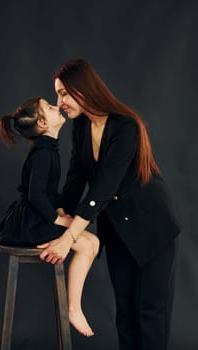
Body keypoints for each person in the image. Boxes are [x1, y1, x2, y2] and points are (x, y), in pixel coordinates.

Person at [38, 59, 181, 350]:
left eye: (64, 93)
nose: (60, 102)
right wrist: (57, 218)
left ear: (83, 88)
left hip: (153, 228)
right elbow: (75, 179)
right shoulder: (80, 128)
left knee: (150, 314)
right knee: (125, 314)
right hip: (117, 231)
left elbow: (103, 187)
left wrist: (69, 237)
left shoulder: (125, 126)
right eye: (57, 94)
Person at [0, 96, 99, 337]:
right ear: (42, 122)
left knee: (92, 242)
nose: (56, 105)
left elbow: (48, 193)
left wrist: (61, 212)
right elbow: (36, 195)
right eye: (49, 107)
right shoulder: (42, 152)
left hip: (39, 218)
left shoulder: (49, 148)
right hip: (30, 224)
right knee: (88, 245)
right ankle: (73, 309)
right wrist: (58, 221)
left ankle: (73, 307)